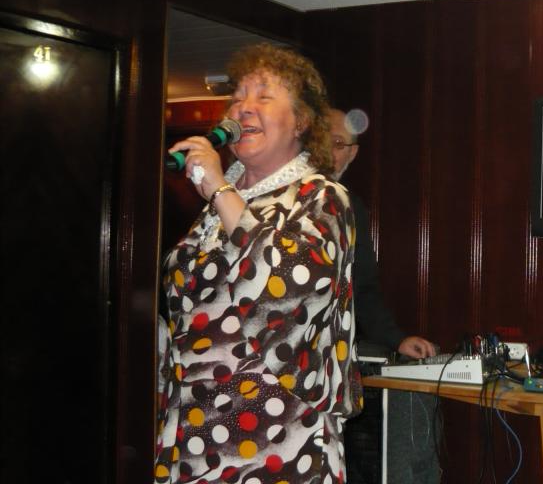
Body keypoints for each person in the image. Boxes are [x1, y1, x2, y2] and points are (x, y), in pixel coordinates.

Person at [155, 43, 360, 484]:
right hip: (193, 426)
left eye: (264, 96)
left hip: (276, 431)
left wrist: (218, 189)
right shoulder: (217, 206)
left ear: (300, 121)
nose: (243, 108)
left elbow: (285, 288)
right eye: (237, 98)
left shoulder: (320, 197)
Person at [327, 107, 436, 360]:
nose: (326, 151)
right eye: (318, 141)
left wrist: (396, 339)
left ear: (352, 153)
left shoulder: (350, 207)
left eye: (337, 143)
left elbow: (363, 286)